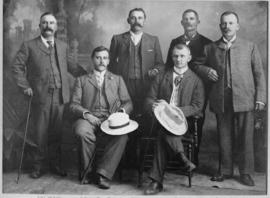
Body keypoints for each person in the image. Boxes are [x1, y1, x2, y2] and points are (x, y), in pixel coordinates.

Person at [193, 11, 266, 186]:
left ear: (237, 26)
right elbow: (196, 65)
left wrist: (261, 98)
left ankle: (246, 172)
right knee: (224, 136)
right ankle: (225, 170)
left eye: (231, 23)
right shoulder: (210, 48)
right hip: (221, 98)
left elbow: (259, 74)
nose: (227, 27)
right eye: (224, 23)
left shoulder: (250, 46)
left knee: (245, 137)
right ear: (220, 26)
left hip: (245, 97)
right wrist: (206, 71)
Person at [12, 12, 85, 179]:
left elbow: (72, 67)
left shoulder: (62, 45)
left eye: (51, 23)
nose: (48, 26)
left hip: (61, 97)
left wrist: (89, 75)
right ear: (39, 26)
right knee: (40, 133)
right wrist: (25, 86)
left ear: (56, 27)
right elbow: (16, 67)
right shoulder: (29, 45)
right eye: (44, 23)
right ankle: (38, 166)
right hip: (40, 97)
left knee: (57, 132)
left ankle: (56, 164)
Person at [144, 44, 205, 195]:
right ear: (171, 58)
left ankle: (155, 181)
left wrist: (174, 111)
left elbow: (197, 106)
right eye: (175, 56)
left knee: (162, 135)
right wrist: (155, 106)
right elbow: (148, 99)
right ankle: (182, 158)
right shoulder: (161, 76)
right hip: (161, 120)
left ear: (189, 58)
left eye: (182, 56)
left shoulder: (196, 80)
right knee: (163, 129)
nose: (179, 59)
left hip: (183, 123)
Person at [70, 46, 133, 189]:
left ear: (109, 61)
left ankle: (103, 174)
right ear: (92, 60)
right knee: (81, 132)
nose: (101, 61)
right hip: (88, 118)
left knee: (122, 136)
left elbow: (128, 102)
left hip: (110, 118)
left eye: (104, 58)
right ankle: (88, 172)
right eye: (98, 57)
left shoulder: (117, 79)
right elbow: (73, 104)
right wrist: (87, 115)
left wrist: (120, 114)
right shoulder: (82, 80)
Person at [166, 9, 212, 166]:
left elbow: (209, 68)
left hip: (198, 88)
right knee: (173, 119)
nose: (189, 22)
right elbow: (168, 66)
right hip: (177, 86)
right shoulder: (175, 41)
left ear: (197, 22)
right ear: (182, 22)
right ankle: (177, 156)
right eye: (185, 19)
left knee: (195, 122)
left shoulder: (207, 42)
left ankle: (193, 158)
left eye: (192, 19)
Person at [109, 7, 164, 116]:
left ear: (144, 20)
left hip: (146, 83)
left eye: (140, 18)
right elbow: (110, 62)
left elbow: (160, 64)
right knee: (125, 112)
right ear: (128, 20)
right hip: (124, 83)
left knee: (144, 113)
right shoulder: (118, 39)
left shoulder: (153, 40)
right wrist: (117, 76)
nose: (137, 21)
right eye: (133, 18)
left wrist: (155, 70)